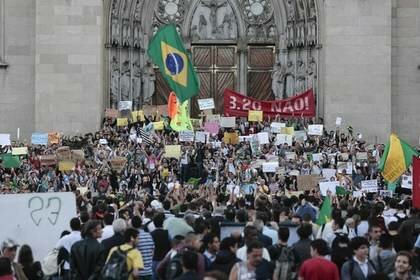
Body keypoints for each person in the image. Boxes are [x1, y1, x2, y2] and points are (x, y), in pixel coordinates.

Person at [132, 216, 154, 280]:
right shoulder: (149, 235)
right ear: (141, 224)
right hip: (149, 271)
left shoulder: (133, 238)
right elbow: (153, 252)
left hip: (138, 272)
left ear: (132, 225)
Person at [150, 212, 171, 280]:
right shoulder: (167, 233)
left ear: (154, 223)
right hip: (165, 260)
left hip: (154, 260)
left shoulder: (151, 234)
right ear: (163, 223)